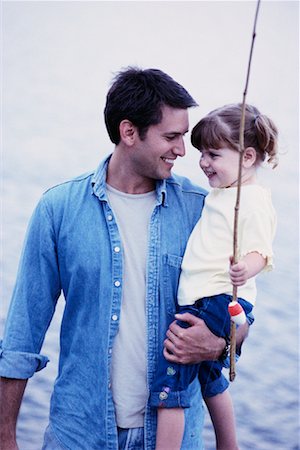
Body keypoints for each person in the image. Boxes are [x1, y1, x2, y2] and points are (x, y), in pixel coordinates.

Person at [0, 67, 231, 450]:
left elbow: (239, 317)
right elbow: (22, 336)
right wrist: (5, 437)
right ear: (129, 132)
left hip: (172, 437)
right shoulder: (58, 210)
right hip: (78, 435)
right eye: (171, 137)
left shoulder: (202, 211)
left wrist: (219, 345)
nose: (183, 150)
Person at [150, 103, 278, 450]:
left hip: (219, 297)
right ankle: (229, 444)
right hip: (206, 297)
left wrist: (245, 269)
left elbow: (261, 251)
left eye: (214, 154)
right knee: (209, 378)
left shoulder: (251, 200)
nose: (204, 162)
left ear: (247, 157)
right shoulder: (224, 194)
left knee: (171, 378)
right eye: (202, 153)